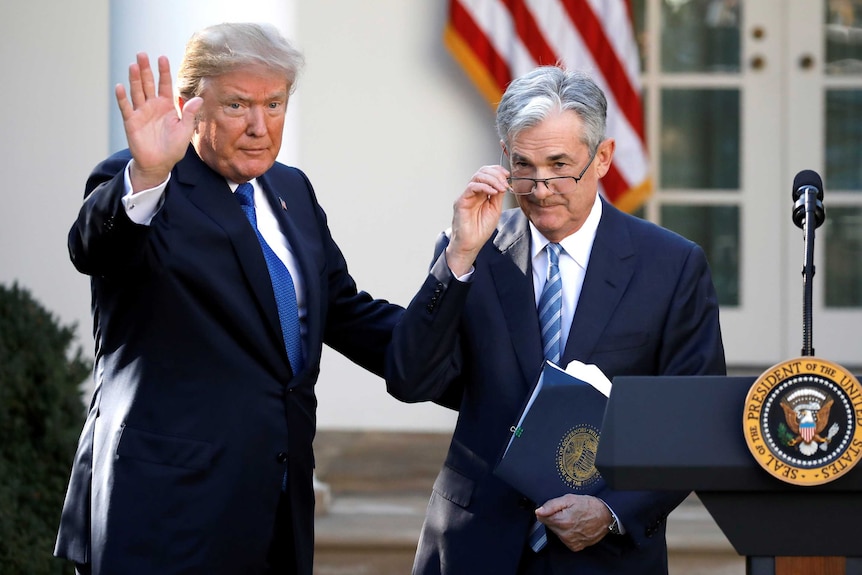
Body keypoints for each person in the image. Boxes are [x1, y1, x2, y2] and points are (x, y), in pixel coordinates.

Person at [54, 22, 402, 575]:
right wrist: (145, 173)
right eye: (238, 105)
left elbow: (342, 311)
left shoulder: (292, 190)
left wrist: (457, 334)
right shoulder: (147, 182)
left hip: (275, 506)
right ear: (193, 104)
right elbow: (95, 249)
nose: (259, 126)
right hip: (164, 511)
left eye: (274, 104)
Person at [386, 66, 726, 574]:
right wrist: (456, 259)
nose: (541, 189)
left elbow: (694, 421)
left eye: (560, 165)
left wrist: (612, 510)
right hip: (475, 547)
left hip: (603, 555)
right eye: (524, 166)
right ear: (504, 158)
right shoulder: (471, 251)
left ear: (603, 158)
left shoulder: (671, 266)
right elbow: (411, 378)